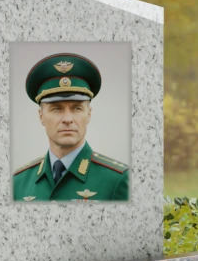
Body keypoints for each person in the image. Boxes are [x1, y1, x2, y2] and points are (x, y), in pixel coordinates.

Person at [13, 53, 129, 202]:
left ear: (89, 114)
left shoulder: (117, 180)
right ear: (41, 116)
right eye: (56, 109)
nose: (68, 119)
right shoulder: (18, 183)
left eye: (77, 108)